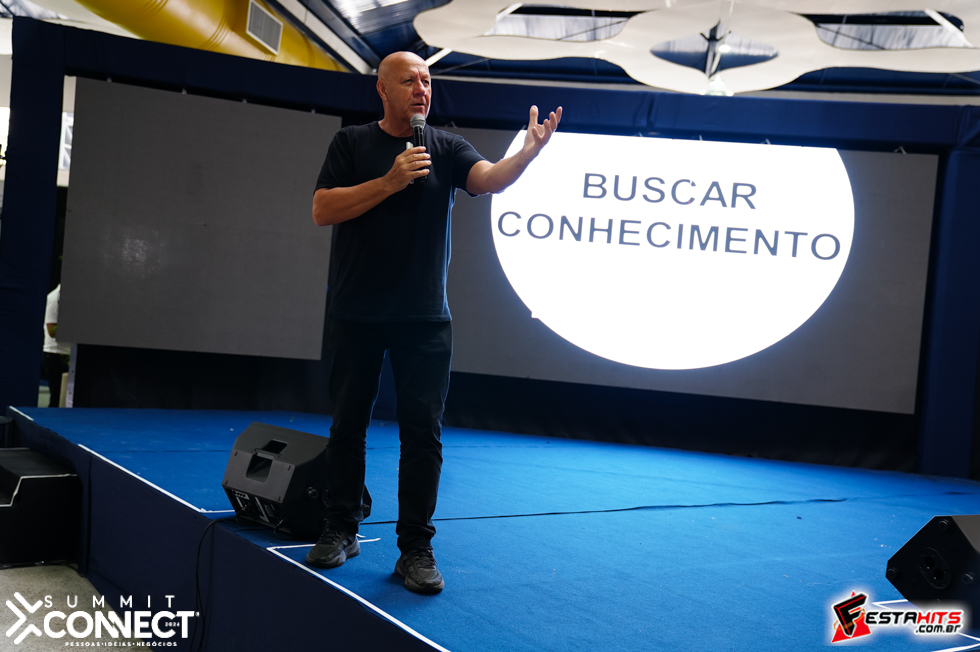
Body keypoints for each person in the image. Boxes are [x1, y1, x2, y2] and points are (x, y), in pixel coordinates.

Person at [307, 51, 561, 594]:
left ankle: (415, 549)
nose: (422, 88)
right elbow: (323, 209)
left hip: (423, 317)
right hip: (356, 312)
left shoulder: (445, 145)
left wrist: (526, 155)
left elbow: (489, 180)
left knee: (423, 435)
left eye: (427, 80)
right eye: (409, 80)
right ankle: (340, 528)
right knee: (347, 426)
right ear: (382, 89)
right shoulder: (351, 143)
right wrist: (388, 182)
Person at [42, 284, 71, 407]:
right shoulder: (54, 298)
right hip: (55, 355)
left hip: (69, 354)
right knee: (57, 398)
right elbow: (52, 330)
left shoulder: (72, 298)